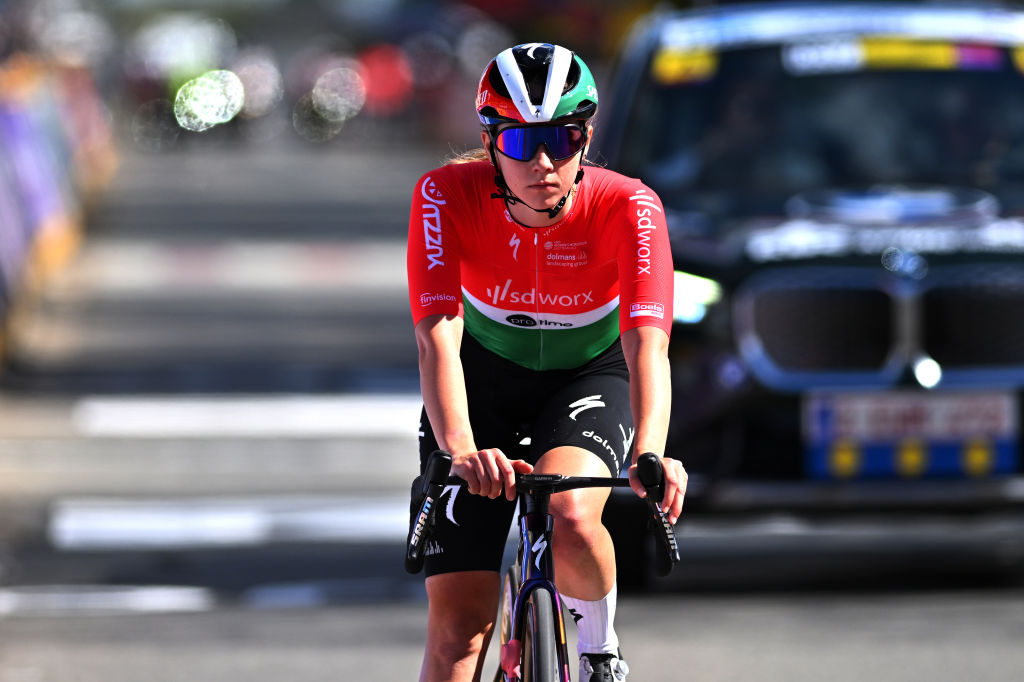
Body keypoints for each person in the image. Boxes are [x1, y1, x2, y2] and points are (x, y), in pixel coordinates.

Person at [407, 42, 687, 682]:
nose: (541, 162)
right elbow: (437, 339)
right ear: (490, 141)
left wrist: (652, 450)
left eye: (560, 139)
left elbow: (649, 341)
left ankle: (597, 652)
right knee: (457, 632)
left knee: (571, 513)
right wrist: (460, 449)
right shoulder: (445, 195)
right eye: (518, 141)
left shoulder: (630, 206)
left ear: (586, 138)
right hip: (480, 384)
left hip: (587, 376)